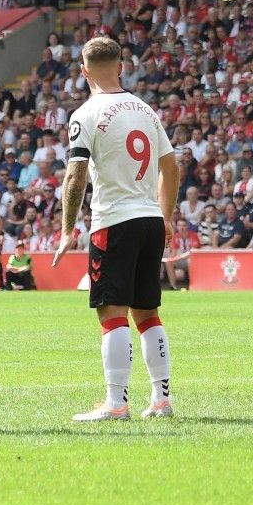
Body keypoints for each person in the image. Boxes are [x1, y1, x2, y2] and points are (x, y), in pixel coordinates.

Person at [52, 36, 181, 422]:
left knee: (112, 312)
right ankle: (161, 399)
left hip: (114, 220)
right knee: (148, 313)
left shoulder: (85, 114)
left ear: (83, 70)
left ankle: (116, 402)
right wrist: (167, 216)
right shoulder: (146, 110)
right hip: (150, 219)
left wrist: (66, 229)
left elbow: (75, 178)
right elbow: (171, 168)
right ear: (121, 66)